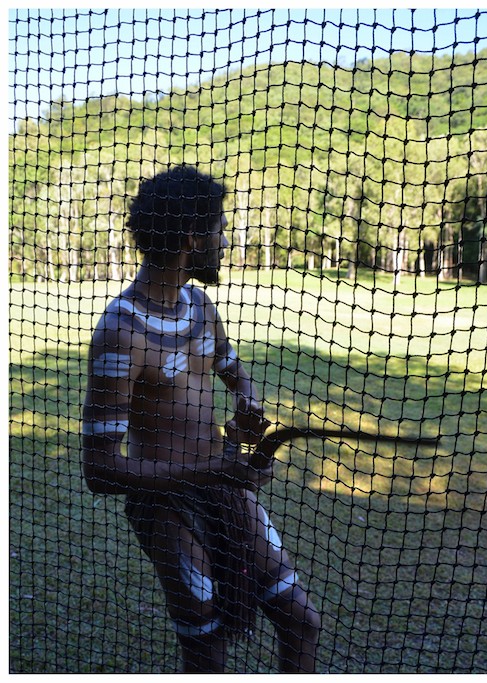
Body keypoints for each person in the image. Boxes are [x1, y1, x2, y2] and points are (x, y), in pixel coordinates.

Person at [79, 165, 321, 672]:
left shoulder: (200, 306)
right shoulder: (121, 332)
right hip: (165, 504)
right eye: (220, 228)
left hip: (226, 487)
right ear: (194, 237)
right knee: (206, 638)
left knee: (300, 619)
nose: (226, 240)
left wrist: (247, 405)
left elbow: (233, 370)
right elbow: (100, 470)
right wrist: (212, 471)